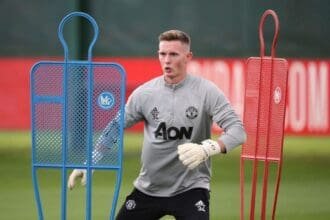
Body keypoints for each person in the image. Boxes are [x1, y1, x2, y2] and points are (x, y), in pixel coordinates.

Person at [68, 29, 246, 220]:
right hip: (148, 189)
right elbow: (115, 127)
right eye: (162, 54)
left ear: (188, 57)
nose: (167, 60)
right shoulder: (144, 93)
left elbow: (238, 131)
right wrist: (92, 160)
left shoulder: (207, 91)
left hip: (191, 189)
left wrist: (208, 148)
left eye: (173, 54)